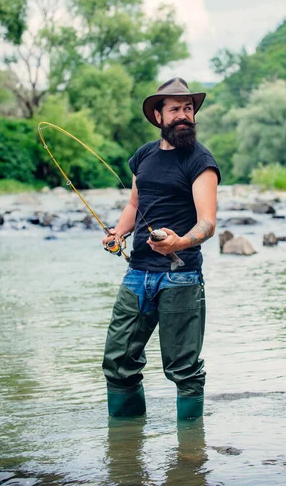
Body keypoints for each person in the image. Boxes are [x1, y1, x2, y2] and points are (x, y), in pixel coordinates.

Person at [102, 77, 221, 420]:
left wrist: (180, 242)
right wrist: (118, 233)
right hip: (137, 274)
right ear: (158, 116)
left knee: (183, 371)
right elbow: (134, 205)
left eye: (188, 109)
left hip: (180, 278)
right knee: (118, 362)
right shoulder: (144, 156)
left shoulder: (202, 161)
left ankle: (190, 458)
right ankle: (125, 451)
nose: (184, 115)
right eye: (175, 109)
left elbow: (207, 223)